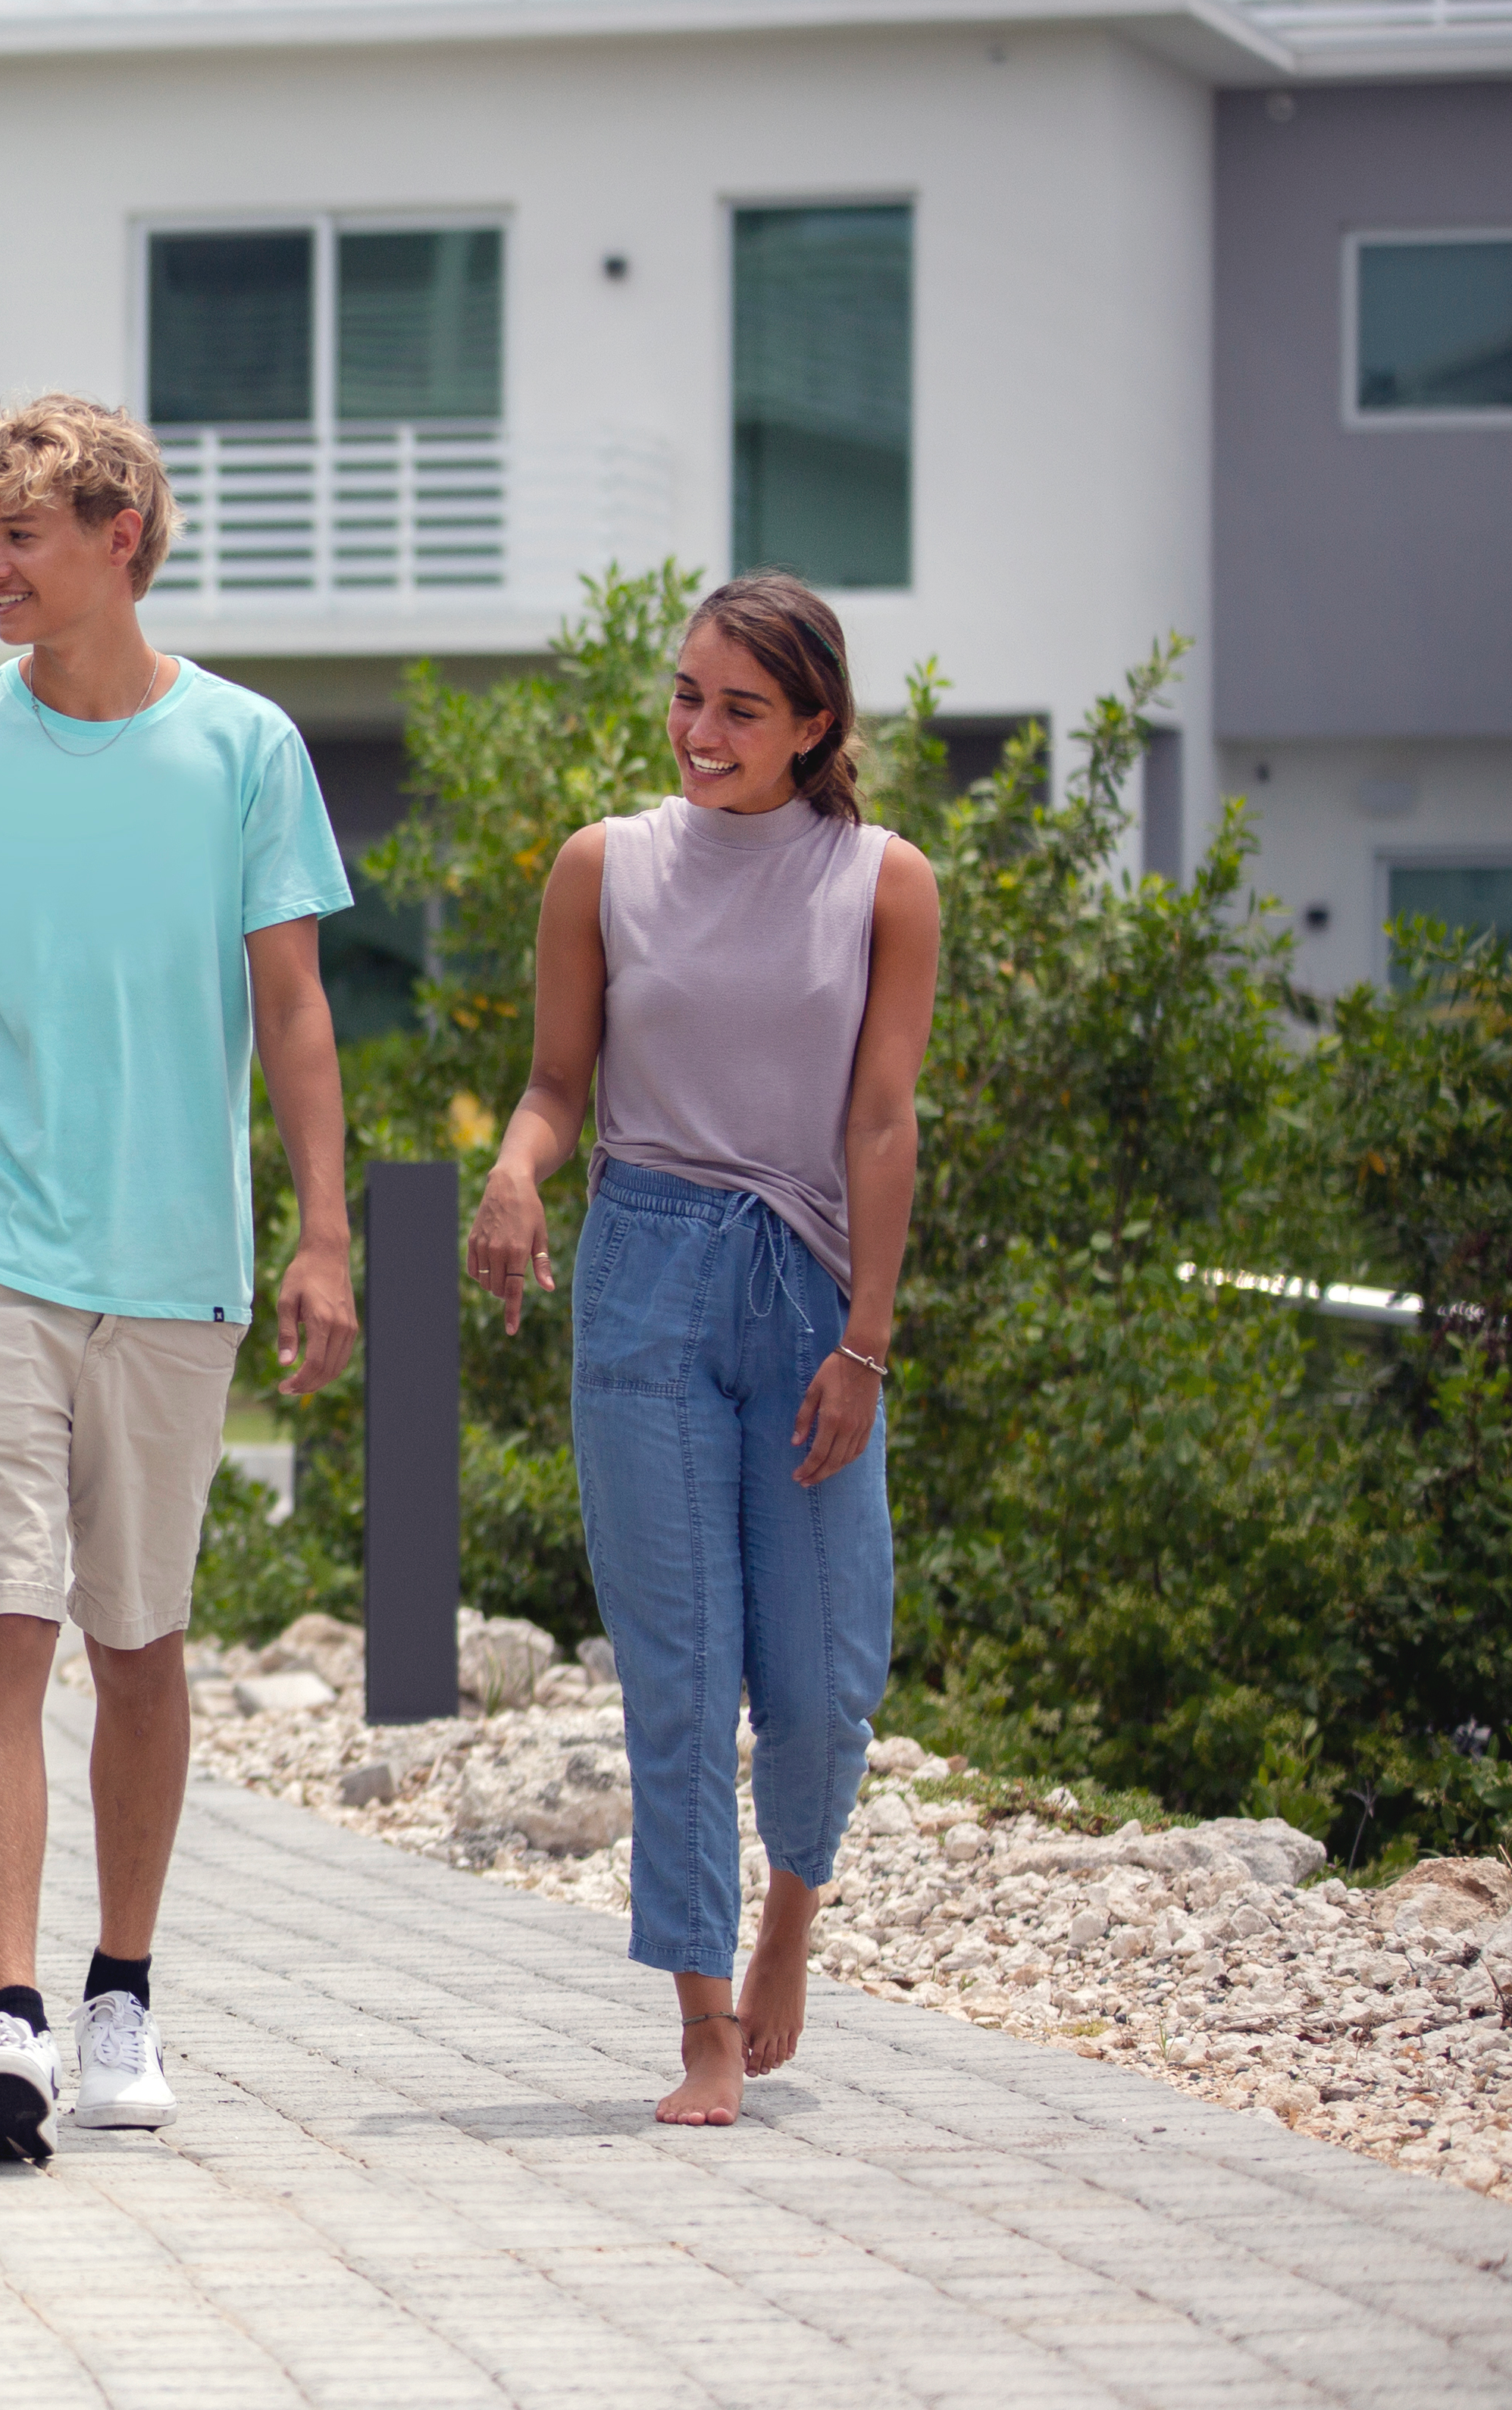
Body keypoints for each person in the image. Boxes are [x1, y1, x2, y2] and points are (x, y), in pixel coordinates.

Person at [0, 395, 362, 2164]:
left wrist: (323, 1230)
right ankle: (6, 2015)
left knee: (135, 1646)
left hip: (175, 1263)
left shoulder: (243, 749)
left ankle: (118, 1990)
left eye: (21, 541)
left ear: (119, 540)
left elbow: (293, 1007)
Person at [463, 571, 939, 2127]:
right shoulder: (602, 867)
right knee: (677, 1672)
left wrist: (865, 1341)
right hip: (647, 1271)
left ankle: (788, 1928)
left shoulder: (882, 882)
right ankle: (701, 2028)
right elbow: (552, 1082)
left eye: (740, 707)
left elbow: (880, 1118)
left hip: (810, 1287)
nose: (700, 730)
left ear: (814, 726)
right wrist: (516, 1171)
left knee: (816, 1676)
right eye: (686, 696)